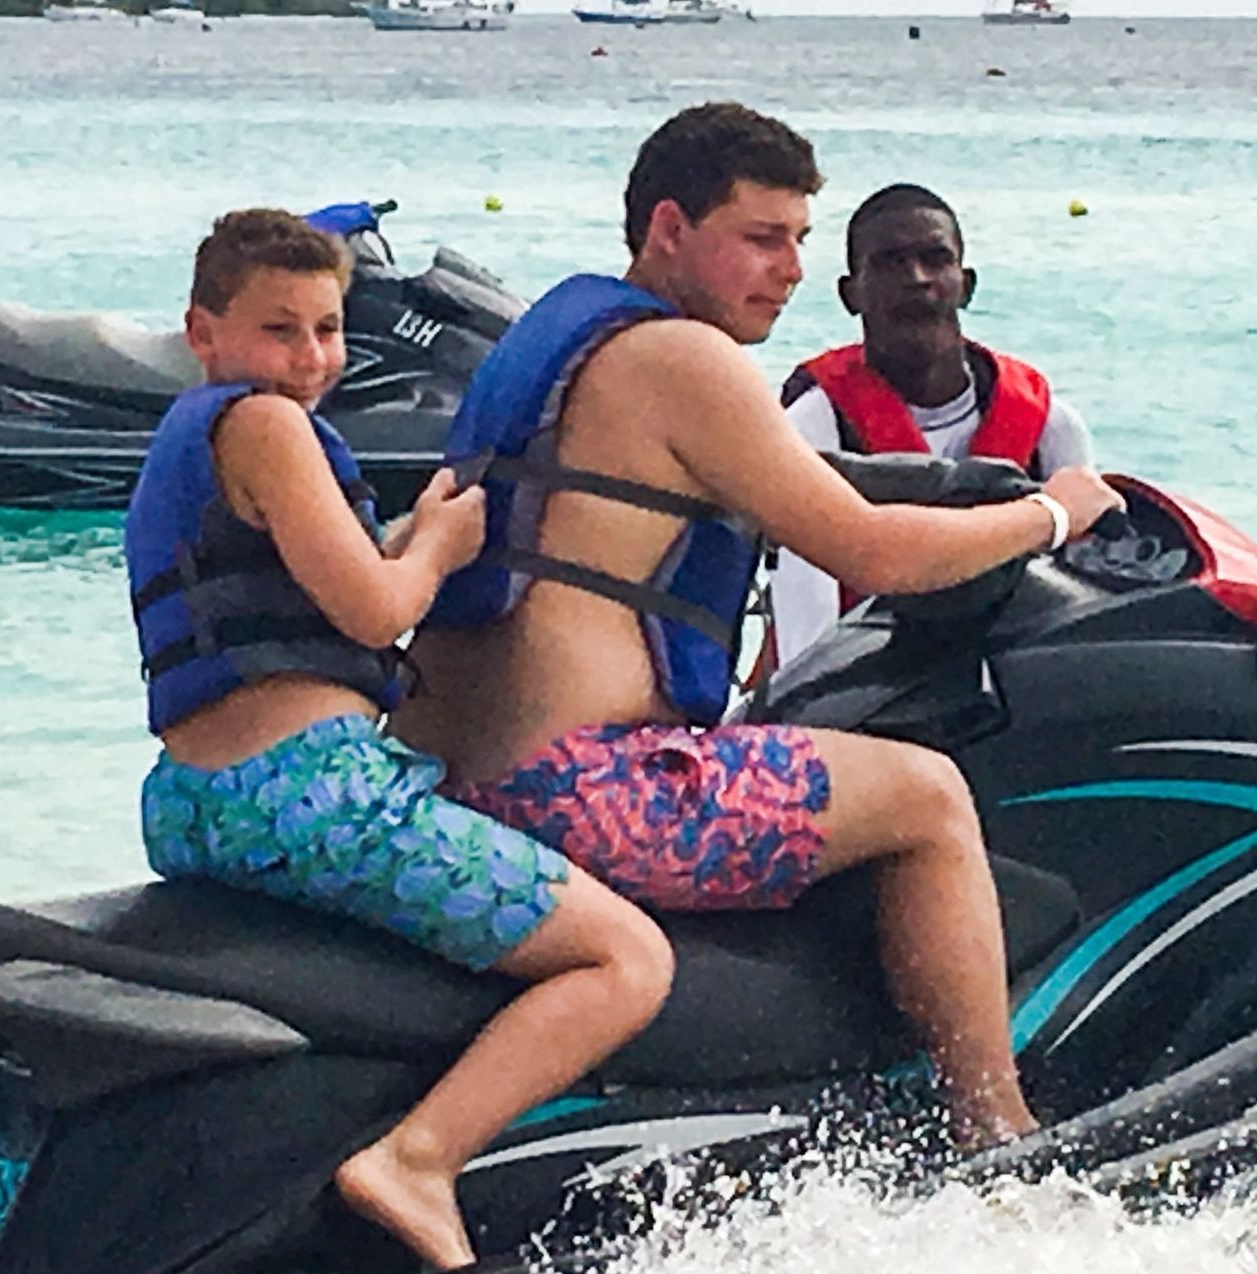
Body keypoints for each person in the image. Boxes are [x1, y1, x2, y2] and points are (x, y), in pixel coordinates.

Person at [389, 104, 1124, 1148]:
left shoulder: (560, 338)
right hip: (577, 790)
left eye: (800, 243)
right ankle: (993, 1130)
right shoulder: (684, 359)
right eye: (761, 238)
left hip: (452, 777)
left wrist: (942, 481)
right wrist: (1054, 511)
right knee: (927, 795)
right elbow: (869, 553)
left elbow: (744, 485)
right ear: (668, 231)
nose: (786, 269)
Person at [124, 209, 672, 1273]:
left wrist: (410, 538)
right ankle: (420, 1157)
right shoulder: (270, 428)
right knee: (625, 955)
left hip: (195, 799)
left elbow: (317, 585)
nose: (311, 359)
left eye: (329, 330)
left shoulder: (189, 439)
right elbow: (376, 614)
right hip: (309, 794)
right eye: (279, 330)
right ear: (203, 329)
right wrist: (446, 543)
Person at [770, 182, 1096, 667]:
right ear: (850, 293)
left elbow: (1084, 599)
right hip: (856, 685)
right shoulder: (815, 423)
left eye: (935, 259)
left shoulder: (1052, 426)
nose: (917, 278)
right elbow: (804, 624)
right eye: (890, 262)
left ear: (967, 283)